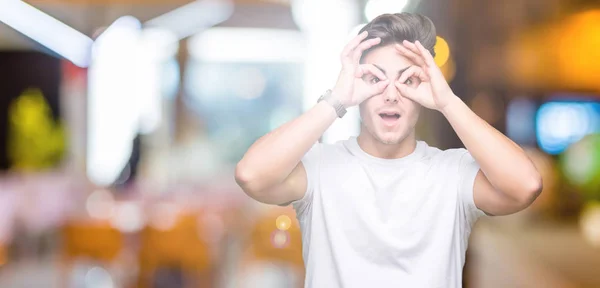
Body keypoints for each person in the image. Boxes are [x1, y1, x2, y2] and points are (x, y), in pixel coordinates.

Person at [235, 12, 542, 288]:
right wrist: (336, 99)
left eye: (408, 80)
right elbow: (251, 175)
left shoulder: (453, 173)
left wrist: (448, 102)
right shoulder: (318, 167)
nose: (391, 94)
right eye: (376, 78)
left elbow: (526, 186)